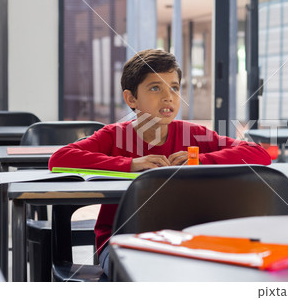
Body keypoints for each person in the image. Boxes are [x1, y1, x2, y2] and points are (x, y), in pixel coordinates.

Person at [48, 48, 272, 275]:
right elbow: (60, 158)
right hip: (123, 242)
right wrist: (131, 165)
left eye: (174, 88)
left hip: (184, 241)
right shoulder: (113, 136)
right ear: (131, 98)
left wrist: (202, 160)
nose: (168, 96)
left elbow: (258, 154)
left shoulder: (194, 134)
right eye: (155, 88)